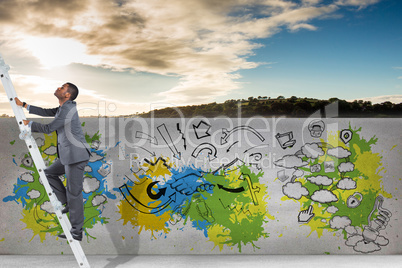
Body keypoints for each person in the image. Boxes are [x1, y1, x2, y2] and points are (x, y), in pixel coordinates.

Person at [15, 82, 91, 241]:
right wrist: (24, 105)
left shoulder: (68, 109)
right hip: (68, 155)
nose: (58, 87)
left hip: (75, 156)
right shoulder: (63, 108)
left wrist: (31, 125)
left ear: (67, 95)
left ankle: (77, 231)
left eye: (62, 88)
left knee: (74, 193)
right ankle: (68, 204)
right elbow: (46, 111)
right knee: (49, 173)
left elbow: (49, 128)